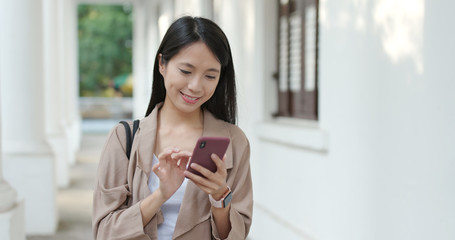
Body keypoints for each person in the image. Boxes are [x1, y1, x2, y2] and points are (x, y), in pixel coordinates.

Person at [92, 16, 253, 240]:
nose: (196, 86)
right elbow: (104, 231)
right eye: (186, 71)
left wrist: (220, 196)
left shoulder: (234, 141)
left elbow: (237, 235)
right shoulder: (124, 138)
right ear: (162, 64)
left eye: (210, 76)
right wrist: (161, 194)